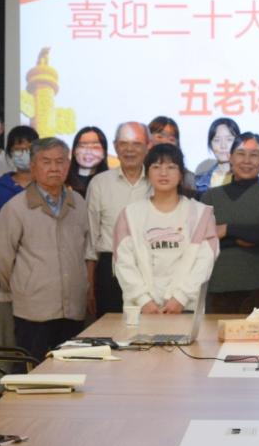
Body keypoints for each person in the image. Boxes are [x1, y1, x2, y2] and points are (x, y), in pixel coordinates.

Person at [0, 138, 90, 361]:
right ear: (33, 167)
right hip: (33, 310)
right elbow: (0, 257)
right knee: (34, 371)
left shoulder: (78, 203)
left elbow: (85, 251)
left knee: (72, 371)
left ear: (68, 165)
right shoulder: (16, 208)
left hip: (73, 308)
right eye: (46, 162)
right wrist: (21, 287)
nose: (54, 168)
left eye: (60, 161)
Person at [113, 143, 218, 313]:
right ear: (147, 173)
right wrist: (144, 300)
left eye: (171, 167)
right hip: (142, 310)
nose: (163, 173)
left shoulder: (200, 214)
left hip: (185, 308)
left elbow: (205, 261)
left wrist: (181, 298)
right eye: (156, 167)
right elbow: (123, 263)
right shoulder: (130, 214)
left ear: (181, 174)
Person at [201, 133, 259, 313]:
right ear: (230, 157)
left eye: (254, 155)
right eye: (240, 153)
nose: (247, 160)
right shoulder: (210, 197)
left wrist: (227, 230)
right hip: (219, 286)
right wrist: (249, 237)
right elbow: (205, 238)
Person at [85, 122, 151, 317]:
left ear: (148, 146)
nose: (129, 149)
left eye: (136, 143)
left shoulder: (157, 182)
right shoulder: (99, 183)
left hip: (151, 269)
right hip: (110, 269)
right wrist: (90, 285)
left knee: (150, 329)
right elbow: (90, 241)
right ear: (115, 146)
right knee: (111, 330)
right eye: (123, 143)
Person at [0, 124, 39, 348]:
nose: (24, 154)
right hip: (4, 279)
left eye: (29, 148)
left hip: (39, 279)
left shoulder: (48, 187)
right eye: (18, 149)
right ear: (9, 153)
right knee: (6, 342)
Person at [148, 115, 197, 193]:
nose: (165, 142)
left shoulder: (187, 177)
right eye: (159, 137)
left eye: (171, 139)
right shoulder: (139, 171)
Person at [194, 117, 240, 196]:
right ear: (210, 144)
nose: (223, 146)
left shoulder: (249, 180)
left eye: (229, 139)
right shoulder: (199, 183)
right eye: (217, 140)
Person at [66, 126, 109, 198]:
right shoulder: (62, 181)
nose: (88, 152)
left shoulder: (111, 182)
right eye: (82, 146)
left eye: (95, 147)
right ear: (74, 151)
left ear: (104, 153)